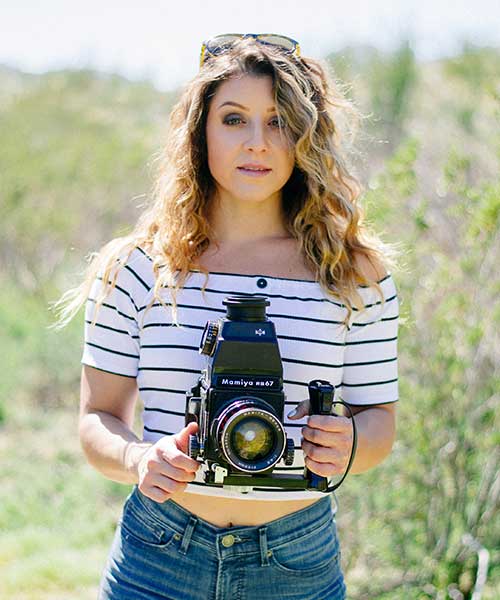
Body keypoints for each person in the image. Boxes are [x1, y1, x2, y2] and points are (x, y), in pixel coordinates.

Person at [53, 32, 400, 600]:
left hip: (297, 561)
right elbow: (98, 419)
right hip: (159, 557)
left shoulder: (353, 274)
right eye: (234, 119)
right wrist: (139, 458)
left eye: (278, 122)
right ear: (200, 131)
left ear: (305, 134)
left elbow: (379, 419)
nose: (257, 143)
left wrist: (350, 443)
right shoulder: (139, 266)